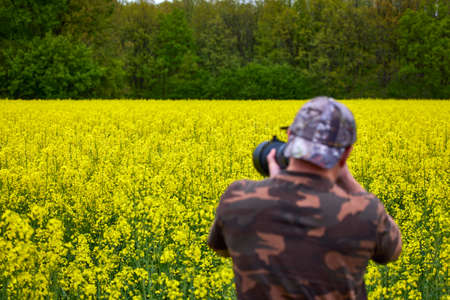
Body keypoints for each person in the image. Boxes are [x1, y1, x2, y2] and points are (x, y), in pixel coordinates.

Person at [207, 96, 402, 299]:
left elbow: (222, 250)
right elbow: (392, 251)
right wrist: (345, 176)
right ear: (346, 153)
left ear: (290, 136)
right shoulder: (366, 213)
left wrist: (278, 189)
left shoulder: (237, 198)